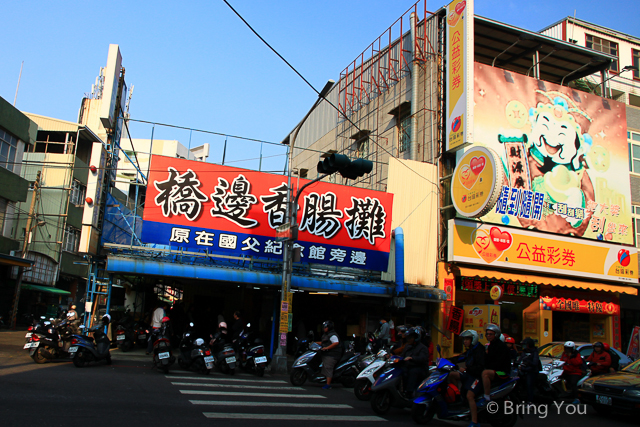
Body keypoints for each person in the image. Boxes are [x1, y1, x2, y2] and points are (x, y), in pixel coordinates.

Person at [449, 330, 485, 427]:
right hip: (469, 374)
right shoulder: (471, 350)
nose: (465, 341)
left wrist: (466, 369)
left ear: (473, 339)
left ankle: (475, 421)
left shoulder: (479, 350)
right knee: (451, 375)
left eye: (467, 339)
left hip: (477, 377)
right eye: (464, 339)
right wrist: (448, 360)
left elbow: (480, 367)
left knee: (470, 396)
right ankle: (458, 397)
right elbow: (461, 357)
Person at [480, 324, 511, 404]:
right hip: (495, 369)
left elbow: (498, 362)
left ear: (496, 335)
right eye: (487, 334)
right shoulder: (490, 346)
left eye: (491, 334)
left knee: (485, 373)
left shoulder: (501, 346)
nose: (488, 336)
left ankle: (487, 396)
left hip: (502, 372)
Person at [400, 327, 430, 398]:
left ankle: (409, 392)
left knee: (413, 371)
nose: (408, 339)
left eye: (410, 338)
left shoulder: (423, 348)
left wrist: (412, 358)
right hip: (408, 366)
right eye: (408, 338)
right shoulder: (407, 346)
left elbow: (423, 358)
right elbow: (402, 356)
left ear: (416, 338)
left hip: (420, 368)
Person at [317, 320, 342, 390]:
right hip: (326, 353)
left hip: (332, 355)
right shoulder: (326, 335)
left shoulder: (333, 335)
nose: (324, 328)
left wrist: (327, 348)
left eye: (325, 327)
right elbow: (323, 343)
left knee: (328, 367)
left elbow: (336, 343)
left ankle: (328, 384)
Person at [516, 338, 540, 403]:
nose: (524, 346)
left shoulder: (534, 352)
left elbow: (535, 363)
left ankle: (530, 401)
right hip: (523, 370)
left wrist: (528, 363)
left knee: (529, 385)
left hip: (531, 371)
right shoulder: (524, 352)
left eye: (525, 344)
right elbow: (520, 360)